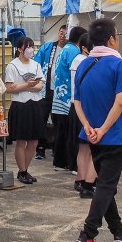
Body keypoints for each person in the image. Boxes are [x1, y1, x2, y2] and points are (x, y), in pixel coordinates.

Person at [72, 18, 122, 242]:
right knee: (106, 185)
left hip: (93, 135)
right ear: (111, 39)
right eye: (117, 35)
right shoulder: (119, 65)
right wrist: (105, 129)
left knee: (106, 186)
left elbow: (77, 101)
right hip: (114, 136)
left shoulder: (84, 65)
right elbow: (120, 102)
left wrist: (88, 127)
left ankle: (118, 231)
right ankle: (88, 234)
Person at [4, 37, 45, 184]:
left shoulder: (36, 65)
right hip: (20, 105)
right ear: (20, 49)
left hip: (36, 104)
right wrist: (27, 85)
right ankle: (22, 171)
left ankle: (25, 170)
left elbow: (40, 86)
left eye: (32, 47)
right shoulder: (12, 66)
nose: (31, 50)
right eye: (28, 47)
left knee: (34, 141)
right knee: (21, 141)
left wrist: (23, 86)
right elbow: (10, 89)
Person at [51, 27, 84, 170]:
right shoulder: (73, 51)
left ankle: (59, 162)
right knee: (67, 133)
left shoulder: (65, 48)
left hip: (58, 95)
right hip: (66, 98)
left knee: (60, 132)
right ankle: (66, 162)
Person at [33, 24, 67, 159]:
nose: (62, 36)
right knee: (41, 118)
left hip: (60, 92)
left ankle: (56, 147)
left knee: (58, 121)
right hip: (46, 89)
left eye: (65, 33)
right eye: (61, 33)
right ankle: (40, 148)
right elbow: (36, 63)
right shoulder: (48, 47)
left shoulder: (70, 50)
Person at [70, 32, 97, 197]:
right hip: (85, 108)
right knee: (91, 147)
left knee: (83, 147)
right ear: (85, 48)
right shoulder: (86, 62)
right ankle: (87, 181)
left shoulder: (76, 61)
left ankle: (80, 179)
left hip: (75, 106)